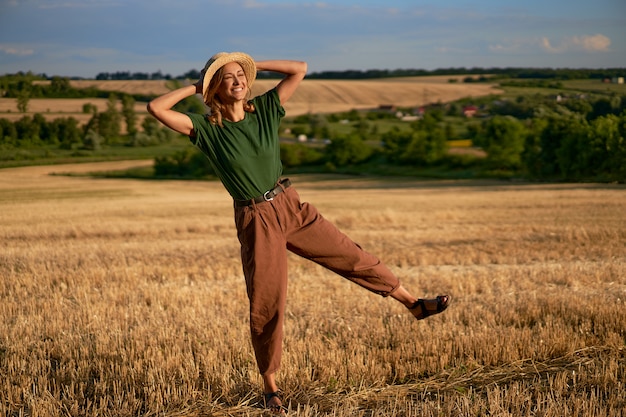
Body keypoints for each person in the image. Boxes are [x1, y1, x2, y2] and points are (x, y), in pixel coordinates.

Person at [147, 52, 450, 415]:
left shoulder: (265, 110)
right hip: (256, 218)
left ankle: (414, 304)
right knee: (267, 300)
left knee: (351, 255)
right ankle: (270, 386)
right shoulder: (208, 129)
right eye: (227, 78)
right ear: (215, 88)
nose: (238, 80)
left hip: (291, 205)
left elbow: (299, 69)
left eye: (241, 75)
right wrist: (198, 86)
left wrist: (248, 62)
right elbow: (156, 107)